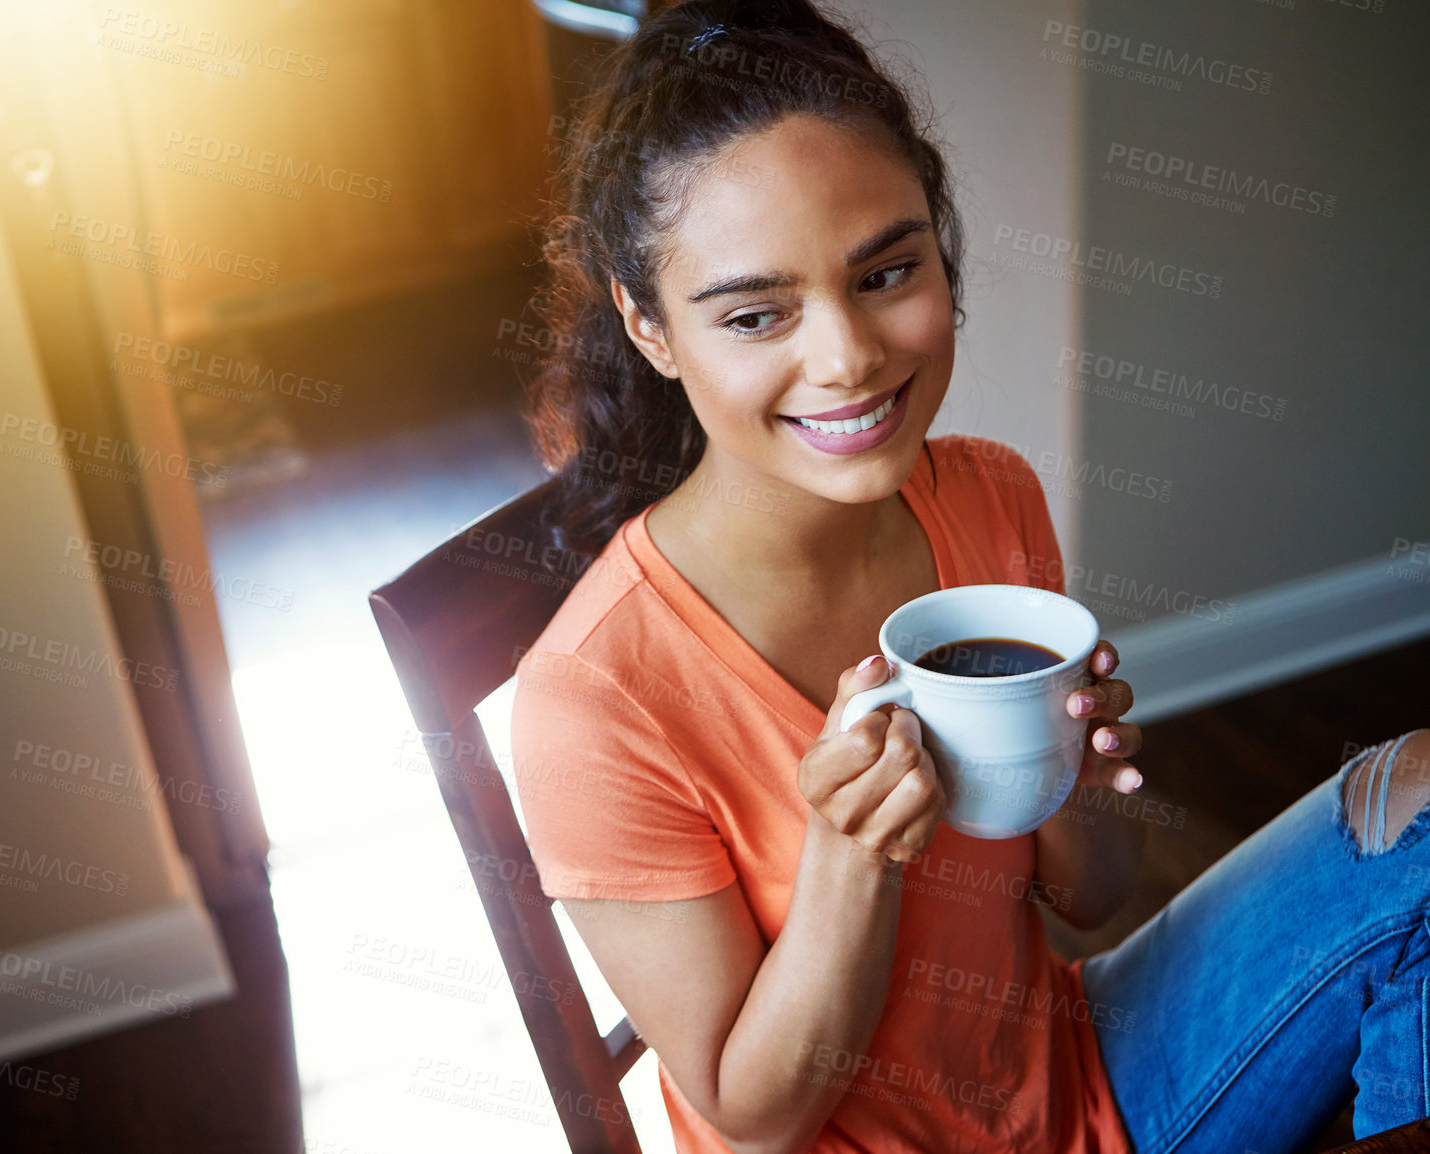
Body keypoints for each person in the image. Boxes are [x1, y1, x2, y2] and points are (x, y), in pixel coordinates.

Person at [507, 2, 1430, 1153]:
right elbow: (754, 1118)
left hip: (1075, 1083)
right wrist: (849, 860)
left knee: (1423, 806)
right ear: (648, 328)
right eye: (756, 313)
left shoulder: (989, 497)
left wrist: (1088, 769)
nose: (846, 356)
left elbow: (1087, 894)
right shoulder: (597, 699)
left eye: (887, 271)